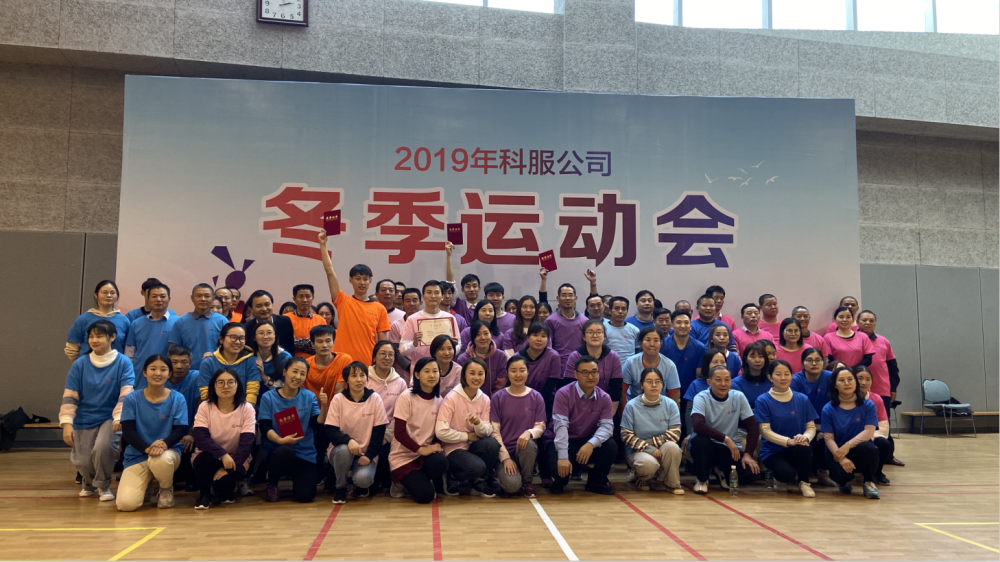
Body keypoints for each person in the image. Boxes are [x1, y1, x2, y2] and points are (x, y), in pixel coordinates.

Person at [59, 319, 135, 502]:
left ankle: (103, 485)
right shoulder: (80, 364)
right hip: (84, 416)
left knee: (103, 448)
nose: (94, 340)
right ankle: (88, 483)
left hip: (110, 416)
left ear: (112, 337)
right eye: (91, 336)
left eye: (99, 336)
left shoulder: (123, 362)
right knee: (83, 459)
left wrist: (119, 417)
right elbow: (70, 395)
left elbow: (126, 393)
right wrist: (67, 423)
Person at [116, 355, 189, 511]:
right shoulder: (132, 399)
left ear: (169, 373)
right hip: (138, 454)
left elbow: (180, 429)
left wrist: (163, 444)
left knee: (160, 460)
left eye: (163, 369)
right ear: (144, 372)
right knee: (126, 505)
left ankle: (166, 489)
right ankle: (146, 484)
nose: (158, 373)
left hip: (167, 452)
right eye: (153, 369)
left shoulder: (178, 398)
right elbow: (128, 430)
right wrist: (147, 448)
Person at [258, 357, 328, 503]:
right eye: (294, 371)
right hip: (278, 450)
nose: (298, 376)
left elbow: (317, 424)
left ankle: (298, 481)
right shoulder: (268, 397)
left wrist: (324, 407)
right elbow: (264, 427)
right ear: (285, 371)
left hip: (304, 452)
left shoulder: (309, 396)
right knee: (285, 451)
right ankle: (272, 483)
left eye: (302, 373)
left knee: (306, 496)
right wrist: (280, 440)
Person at [545, 355, 617, 495]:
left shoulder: (604, 397)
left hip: (586, 441)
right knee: (560, 473)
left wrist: (591, 444)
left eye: (594, 372)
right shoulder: (563, 394)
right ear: (575, 374)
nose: (590, 376)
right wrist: (563, 457)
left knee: (610, 446)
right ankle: (560, 480)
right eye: (585, 372)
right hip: (562, 440)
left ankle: (596, 482)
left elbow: (607, 427)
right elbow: (561, 427)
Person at [318, 232, 391, 366]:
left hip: (366, 363)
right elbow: (329, 271)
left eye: (365, 279)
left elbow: (382, 343)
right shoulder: (343, 301)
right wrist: (323, 245)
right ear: (350, 280)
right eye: (358, 278)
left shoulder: (379, 308)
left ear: (370, 281)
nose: (362, 282)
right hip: (341, 362)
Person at [191, 367, 256, 509]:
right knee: (203, 459)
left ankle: (224, 489)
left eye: (230, 382)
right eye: (220, 382)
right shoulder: (205, 406)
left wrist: (229, 469)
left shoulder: (246, 408)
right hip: (210, 455)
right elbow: (201, 439)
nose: (225, 386)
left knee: (224, 485)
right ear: (213, 386)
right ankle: (204, 494)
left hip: (236, 458)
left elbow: (246, 444)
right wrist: (223, 455)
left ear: (237, 385)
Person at [325, 361, 389, 504]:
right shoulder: (338, 399)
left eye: (362, 375)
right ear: (347, 380)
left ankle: (357, 484)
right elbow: (330, 430)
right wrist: (348, 440)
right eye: (354, 376)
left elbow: (379, 433)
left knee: (364, 480)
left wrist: (369, 455)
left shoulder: (375, 398)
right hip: (341, 450)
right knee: (344, 450)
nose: (359, 379)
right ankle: (341, 487)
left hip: (365, 453)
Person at [689, 365, 760, 494]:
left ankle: (721, 471)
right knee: (700, 441)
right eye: (718, 380)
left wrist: (748, 454)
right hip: (707, 446)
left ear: (731, 382)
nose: (723, 384)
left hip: (728, 449)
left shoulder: (738, 396)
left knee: (751, 474)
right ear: (709, 382)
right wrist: (726, 439)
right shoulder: (701, 397)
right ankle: (702, 479)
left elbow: (753, 426)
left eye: (727, 380)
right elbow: (698, 425)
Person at [435, 359, 500, 497]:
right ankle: (452, 475)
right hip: (453, 448)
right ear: (464, 375)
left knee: (493, 444)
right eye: (472, 373)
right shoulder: (452, 397)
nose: (476, 377)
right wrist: (466, 436)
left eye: (480, 373)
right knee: (477, 467)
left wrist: (478, 424)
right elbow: (440, 432)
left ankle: (478, 483)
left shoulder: (485, 399)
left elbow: (487, 431)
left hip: (472, 446)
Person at [754, 360, 818, 497]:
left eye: (787, 374)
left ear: (792, 376)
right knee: (786, 474)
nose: (783, 378)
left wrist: (805, 437)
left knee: (803, 447)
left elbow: (811, 427)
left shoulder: (802, 399)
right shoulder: (763, 400)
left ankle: (804, 483)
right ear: (770, 377)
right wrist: (789, 441)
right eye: (778, 374)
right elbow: (765, 431)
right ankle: (779, 477)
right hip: (773, 451)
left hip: (798, 448)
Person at [389, 357, 448, 503]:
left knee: (441, 462)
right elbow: (399, 433)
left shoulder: (440, 400)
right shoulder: (406, 397)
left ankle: (419, 479)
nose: (431, 375)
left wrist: (435, 445)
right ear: (417, 375)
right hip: (403, 456)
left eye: (435, 371)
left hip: (424, 455)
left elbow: (439, 430)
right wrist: (421, 450)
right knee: (425, 496)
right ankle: (399, 482)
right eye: (426, 371)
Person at [820, 366, 880, 499]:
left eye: (850, 379)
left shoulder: (868, 405)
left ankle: (869, 482)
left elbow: (869, 431)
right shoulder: (828, 409)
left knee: (869, 448)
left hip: (858, 449)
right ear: (835, 385)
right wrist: (841, 457)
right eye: (841, 380)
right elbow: (828, 438)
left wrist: (848, 445)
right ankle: (844, 481)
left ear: (855, 382)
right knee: (841, 475)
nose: (847, 383)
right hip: (837, 451)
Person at [621, 368, 684, 494]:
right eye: (649, 381)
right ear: (641, 385)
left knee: (673, 447)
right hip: (637, 450)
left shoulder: (671, 404)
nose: (654, 385)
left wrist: (652, 444)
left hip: (661, 448)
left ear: (662, 385)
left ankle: (673, 484)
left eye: (658, 381)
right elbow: (626, 435)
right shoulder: (631, 406)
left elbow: (675, 433)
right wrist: (649, 448)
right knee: (648, 464)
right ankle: (642, 478)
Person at [491, 356, 546, 498]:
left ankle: (527, 482)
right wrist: (505, 458)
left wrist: (529, 432)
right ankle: (512, 478)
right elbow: (494, 432)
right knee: (512, 486)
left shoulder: (536, 397)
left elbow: (540, 426)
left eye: (522, 370)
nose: (518, 374)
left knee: (528, 444)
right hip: (504, 452)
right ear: (507, 373)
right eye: (513, 370)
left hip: (525, 451)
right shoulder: (498, 397)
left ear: (528, 372)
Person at [856, 310, 903, 467]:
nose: (868, 323)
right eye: (864, 320)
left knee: (884, 423)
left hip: (882, 389)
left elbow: (893, 368)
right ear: (858, 322)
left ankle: (888, 456)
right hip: (857, 390)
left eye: (871, 320)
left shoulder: (884, 341)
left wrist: (893, 388)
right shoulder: (854, 340)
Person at [791, 347, 837, 487]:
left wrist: (825, 428)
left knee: (825, 438)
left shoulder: (830, 377)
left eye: (818, 360)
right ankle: (800, 472)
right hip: (802, 425)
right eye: (809, 360)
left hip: (825, 425)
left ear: (823, 362)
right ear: (802, 363)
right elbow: (793, 408)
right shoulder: (796, 381)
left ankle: (823, 473)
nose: (814, 363)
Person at [368, 341, 408, 492]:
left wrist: (385, 437)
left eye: (391, 354)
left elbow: (400, 415)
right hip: (366, 434)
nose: (387, 358)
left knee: (385, 457)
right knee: (368, 483)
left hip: (389, 435)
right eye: (382, 354)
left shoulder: (401, 383)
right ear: (374, 357)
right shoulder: (364, 379)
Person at [660, 310, 706, 437]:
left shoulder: (699, 347)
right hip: (667, 394)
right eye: (678, 322)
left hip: (690, 396)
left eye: (686, 322)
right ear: (672, 325)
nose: (682, 325)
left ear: (690, 326)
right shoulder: (662, 345)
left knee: (687, 429)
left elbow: (699, 375)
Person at [124, 283, 177, 387]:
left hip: (168, 376)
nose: (158, 299)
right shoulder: (136, 323)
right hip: (140, 375)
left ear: (169, 299)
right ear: (147, 299)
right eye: (154, 296)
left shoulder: (178, 323)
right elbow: (129, 354)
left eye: (162, 296)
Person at [562, 320, 624, 409]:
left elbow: (616, 389)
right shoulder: (575, 356)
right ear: (584, 336)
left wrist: (609, 414)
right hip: (578, 404)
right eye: (590, 332)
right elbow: (569, 386)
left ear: (604, 336)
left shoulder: (613, 356)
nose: (595, 335)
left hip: (606, 404)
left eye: (599, 332)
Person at [66, 280, 131, 361]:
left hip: (116, 367)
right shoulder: (83, 319)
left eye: (112, 293)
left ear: (117, 295)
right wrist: (80, 366)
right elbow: (72, 347)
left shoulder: (124, 320)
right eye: (104, 292)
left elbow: (129, 349)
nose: (109, 295)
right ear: (96, 294)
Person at [197, 323, 260, 406]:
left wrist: (245, 412)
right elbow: (206, 394)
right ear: (221, 339)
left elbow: (252, 393)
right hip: (213, 410)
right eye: (233, 337)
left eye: (241, 338)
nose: (238, 342)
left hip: (244, 409)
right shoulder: (208, 363)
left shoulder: (252, 362)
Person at [400, 280, 463, 363]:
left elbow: (459, 344)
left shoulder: (450, 318)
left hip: (444, 366)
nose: (433, 296)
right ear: (423, 296)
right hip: (421, 367)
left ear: (442, 296)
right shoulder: (412, 319)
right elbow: (402, 350)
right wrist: (414, 343)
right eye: (429, 292)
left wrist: (452, 346)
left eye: (436, 292)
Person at [165, 346, 200, 491]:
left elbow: (202, 409)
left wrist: (192, 433)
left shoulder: (196, 377)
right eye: (174, 362)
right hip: (167, 433)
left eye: (184, 362)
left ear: (190, 363)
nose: (179, 366)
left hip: (191, 430)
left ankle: (192, 478)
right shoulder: (161, 379)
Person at [854, 366, 893, 485]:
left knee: (884, 444)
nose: (864, 382)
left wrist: (869, 436)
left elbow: (883, 425)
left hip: (871, 436)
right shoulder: (846, 398)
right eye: (860, 378)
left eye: (868, 379)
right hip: (851, 437)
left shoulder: (876, 399)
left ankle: (877, 472)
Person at [622, 327, 680, 403]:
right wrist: (625, 409)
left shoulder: (670, 366)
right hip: (635, 406)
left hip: (661, 406)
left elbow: (675, 395)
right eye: (648, 340)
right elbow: (622, 390)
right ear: (641, 343)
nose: (652, 344)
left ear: (660, 343)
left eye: (656, 340)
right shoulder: (631, 363)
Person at [545, 283, 589, 374]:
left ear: (575, 298)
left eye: (570, 295)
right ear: (558, 298)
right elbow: (548, 347)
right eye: (564, 295)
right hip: (558, 368)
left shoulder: (584, 321)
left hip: (581, 368)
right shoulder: (550, 321)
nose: (567, 298)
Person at [518, 323, 563, 411]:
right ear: (528, 338)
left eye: (543, 336)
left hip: (546, 401)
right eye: (535, 335)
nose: (539, 339)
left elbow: (550, 386)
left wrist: (538, 405)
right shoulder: (517, 357)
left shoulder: (553, 356)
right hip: (521, 399)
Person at [456, 321, 508, 395]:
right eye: (478, 334)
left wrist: (493, 399)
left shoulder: (501, 356)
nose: (483, 337)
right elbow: (462, 384)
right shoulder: (463, 359)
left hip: (495, 398)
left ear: (491, 335)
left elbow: (501, 383)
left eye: (486, 333)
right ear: (473, 337)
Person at [239, 289, 295, 354]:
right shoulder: (246, 328)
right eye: (259, 306)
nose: (264, 309)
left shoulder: (285, 322)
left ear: (272, 305)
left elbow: (290, 348)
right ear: (251, 309)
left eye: (267, 304)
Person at [305, 325, 352, 398]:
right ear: (312, 344)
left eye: (328, 341)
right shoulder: (306, 364)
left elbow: (339, 390)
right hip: (311, 404)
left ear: (334, 342)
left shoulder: (344, 360)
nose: (324, 345)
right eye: (320, 341)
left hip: (337, 403)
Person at [249, 320, 292, 396]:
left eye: (269, 333)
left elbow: (287, 387)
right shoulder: (249, 356)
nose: (265, 337)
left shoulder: (285, 357)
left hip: (277, 399)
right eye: (261, 333)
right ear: (254, 337)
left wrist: (264, 377)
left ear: (275, 336)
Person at [285, 285, 328, 358]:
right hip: (292, 361)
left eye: (308, 296)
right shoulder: (285, 319)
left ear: (313, 298)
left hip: (315, 362)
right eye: (301, 296)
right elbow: (286, 344)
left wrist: (296, 343)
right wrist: (311, 342)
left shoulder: (320, 320)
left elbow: (322, 345)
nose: (305, 300)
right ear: (294, 299)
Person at [733, 341, 772, 410]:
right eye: (752, 357)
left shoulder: (771, 380)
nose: (757, 360)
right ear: (746, 359)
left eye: (761, 356)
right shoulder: (736, 384)